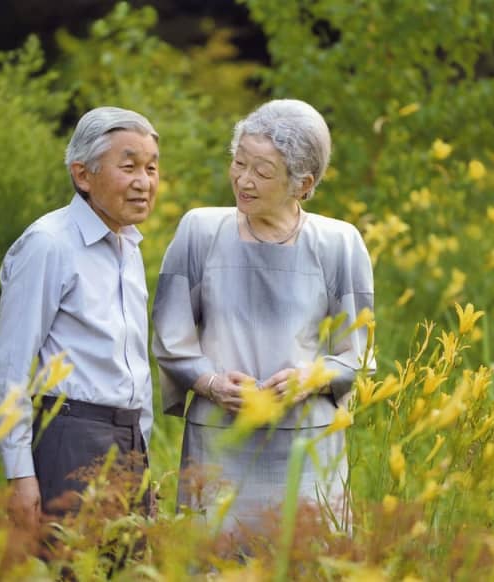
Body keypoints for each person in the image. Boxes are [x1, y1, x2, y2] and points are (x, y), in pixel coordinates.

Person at [152, 99, 374, 536]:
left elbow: (358, 355)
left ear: (303, 183)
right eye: (239, 163)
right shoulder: (199, 231)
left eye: (263, 172)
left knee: (302, 561)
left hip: (305, 446)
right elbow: (170, 336)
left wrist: (309, 378)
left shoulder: (339, 243)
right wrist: (211, 384)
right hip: (218, 440)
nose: (244, 180)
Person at [0, 106, 160, 532]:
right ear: (83, 175)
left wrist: (144, 462)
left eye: (151, 167)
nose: (144, 182)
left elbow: (134, 367)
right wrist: (20, 474)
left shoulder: (130, 248)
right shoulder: (49, 244)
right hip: (69, 440)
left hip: (129, 443)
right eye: (129, 167)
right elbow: (11, 365)